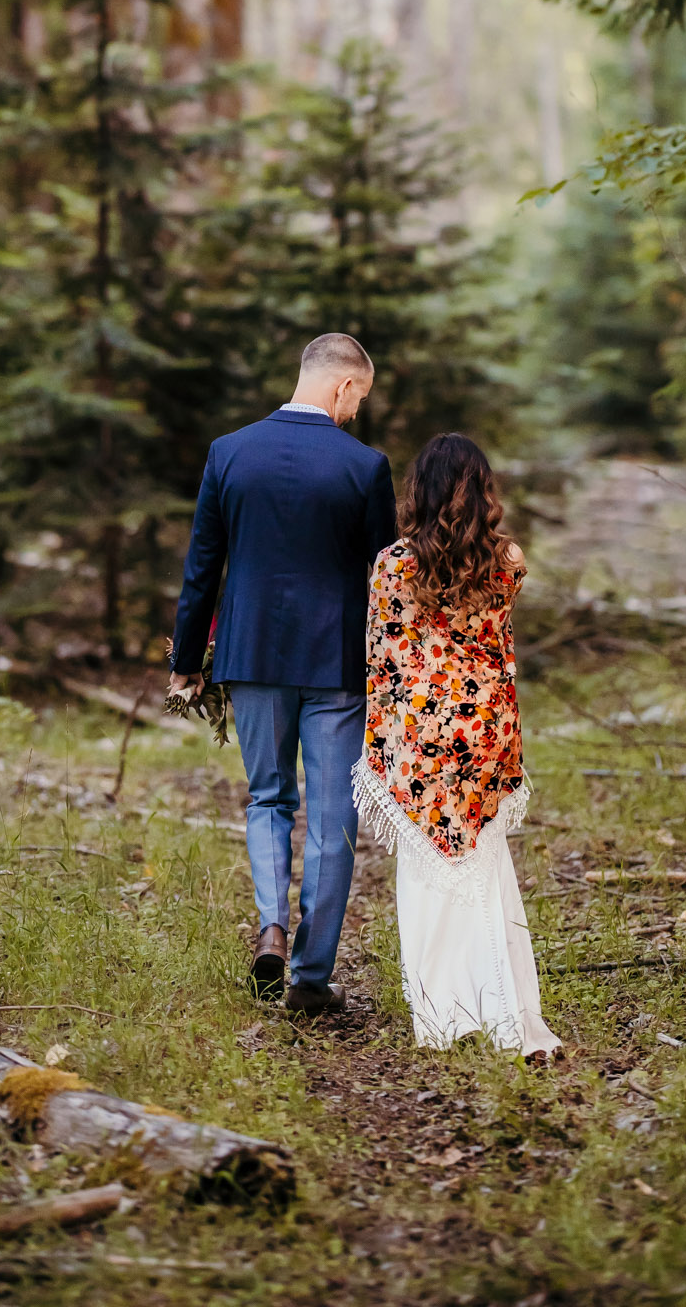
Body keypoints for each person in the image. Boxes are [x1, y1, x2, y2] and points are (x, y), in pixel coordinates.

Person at [168, 332, 396, 1014]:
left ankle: (272, 921)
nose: (356, 414)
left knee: (268, 798)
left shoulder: (229, 452)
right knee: (332, 821)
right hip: (334, 666)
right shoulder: (365, 466)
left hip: (253, 657)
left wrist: (186, 664)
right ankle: (310, 978)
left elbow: (201, 568)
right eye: (360, 399)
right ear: (345, 387)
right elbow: (389, 580)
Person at [353, 432, 562, 1059]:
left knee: (427, 877)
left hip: (422, 731)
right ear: (484, 491)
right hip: (485, 729)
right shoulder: (510, 561)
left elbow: (384, 660)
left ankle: (444, 1017)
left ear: (422, 489)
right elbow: (496, 649)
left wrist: (380, 747)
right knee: (486, 869)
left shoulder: (394, 564)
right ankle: (504, 1010)